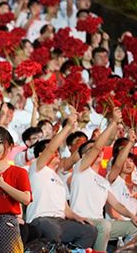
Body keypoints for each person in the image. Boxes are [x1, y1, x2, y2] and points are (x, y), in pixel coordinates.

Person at [26, 107, 98, 249]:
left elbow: (65, 208)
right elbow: (51, 148)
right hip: (41, 220)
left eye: (58, 151)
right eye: (50, 151)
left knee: (89, 230)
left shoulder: (58, 179)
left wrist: (77, 217)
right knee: (52, 230)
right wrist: (68, 126)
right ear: (41, 155)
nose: (56, 152)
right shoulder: (37, 168)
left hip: (61, 221)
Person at [71, 108, 137, 252]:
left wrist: (131, 215)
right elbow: (97, 146)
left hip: (100, 223)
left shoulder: (103, 181)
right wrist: (113, 122)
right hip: (82, 221)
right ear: (83, 157)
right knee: (104, 225)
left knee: (134, 227)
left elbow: (117, 204)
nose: (99, 151)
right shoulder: (80, 169)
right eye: (92, 150)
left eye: (100, 151)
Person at [106, 129, 137, 220]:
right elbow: (118, 164)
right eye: (123, 149)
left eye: (131, 161)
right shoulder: (113, 178)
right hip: (119, 227)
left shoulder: (134, 184)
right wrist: (130, 142)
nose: (129, 163)